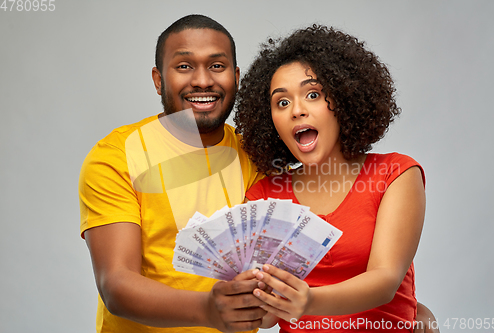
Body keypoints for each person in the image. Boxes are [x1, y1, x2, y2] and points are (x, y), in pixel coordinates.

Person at [234, 25, 438, 332]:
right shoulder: (263, 198)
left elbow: (384, 280)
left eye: (312, 94)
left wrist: (309, 301)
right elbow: (267, 318)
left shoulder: (395, 174)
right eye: (282, 102)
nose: (296, 111)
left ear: (343, 99)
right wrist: (250, 299)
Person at [79, 14, 268, 333]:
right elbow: (115, 283)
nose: (203, 80)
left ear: (235, 77)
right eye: (184, 66)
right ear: (158, 79)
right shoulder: (117, 155)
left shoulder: (257, 155)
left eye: (217, 66)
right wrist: (209, 310)